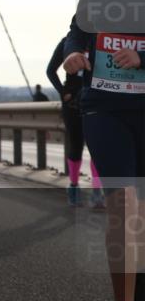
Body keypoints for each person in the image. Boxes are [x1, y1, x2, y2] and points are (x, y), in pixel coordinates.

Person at [61, 0, 145, 301]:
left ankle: (137, 280)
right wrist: (73, 55)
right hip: (105, 107)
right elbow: (77, 32)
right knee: (123, 204)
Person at [47, 34, 104, 208]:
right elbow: (50, 71)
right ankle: (73, 187)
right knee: (76, 145)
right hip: (72, 104)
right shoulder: (67, 43)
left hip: (94, 100)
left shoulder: (99, 41)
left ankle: (97, 192)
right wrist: (63, 91)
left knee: (96, 147)